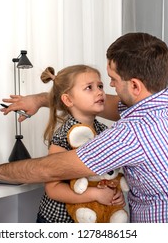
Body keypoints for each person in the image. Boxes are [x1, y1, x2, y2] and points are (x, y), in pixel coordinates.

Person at [0, 32, 168, 223]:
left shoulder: (133, 133)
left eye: (111, 80)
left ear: (134, 86)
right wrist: (41, 100)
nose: (108, 88)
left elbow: (48, 169)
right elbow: (103, 104)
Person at [34, 65, 124, 223]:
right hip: (59, 222)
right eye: (89, 87)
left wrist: (115, 193)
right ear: (68, 99)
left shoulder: (103, 131)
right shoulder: (63, 137)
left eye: (100, 86)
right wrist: (95, 194)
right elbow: (53, 189)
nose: (99, 92)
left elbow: (106, 174)